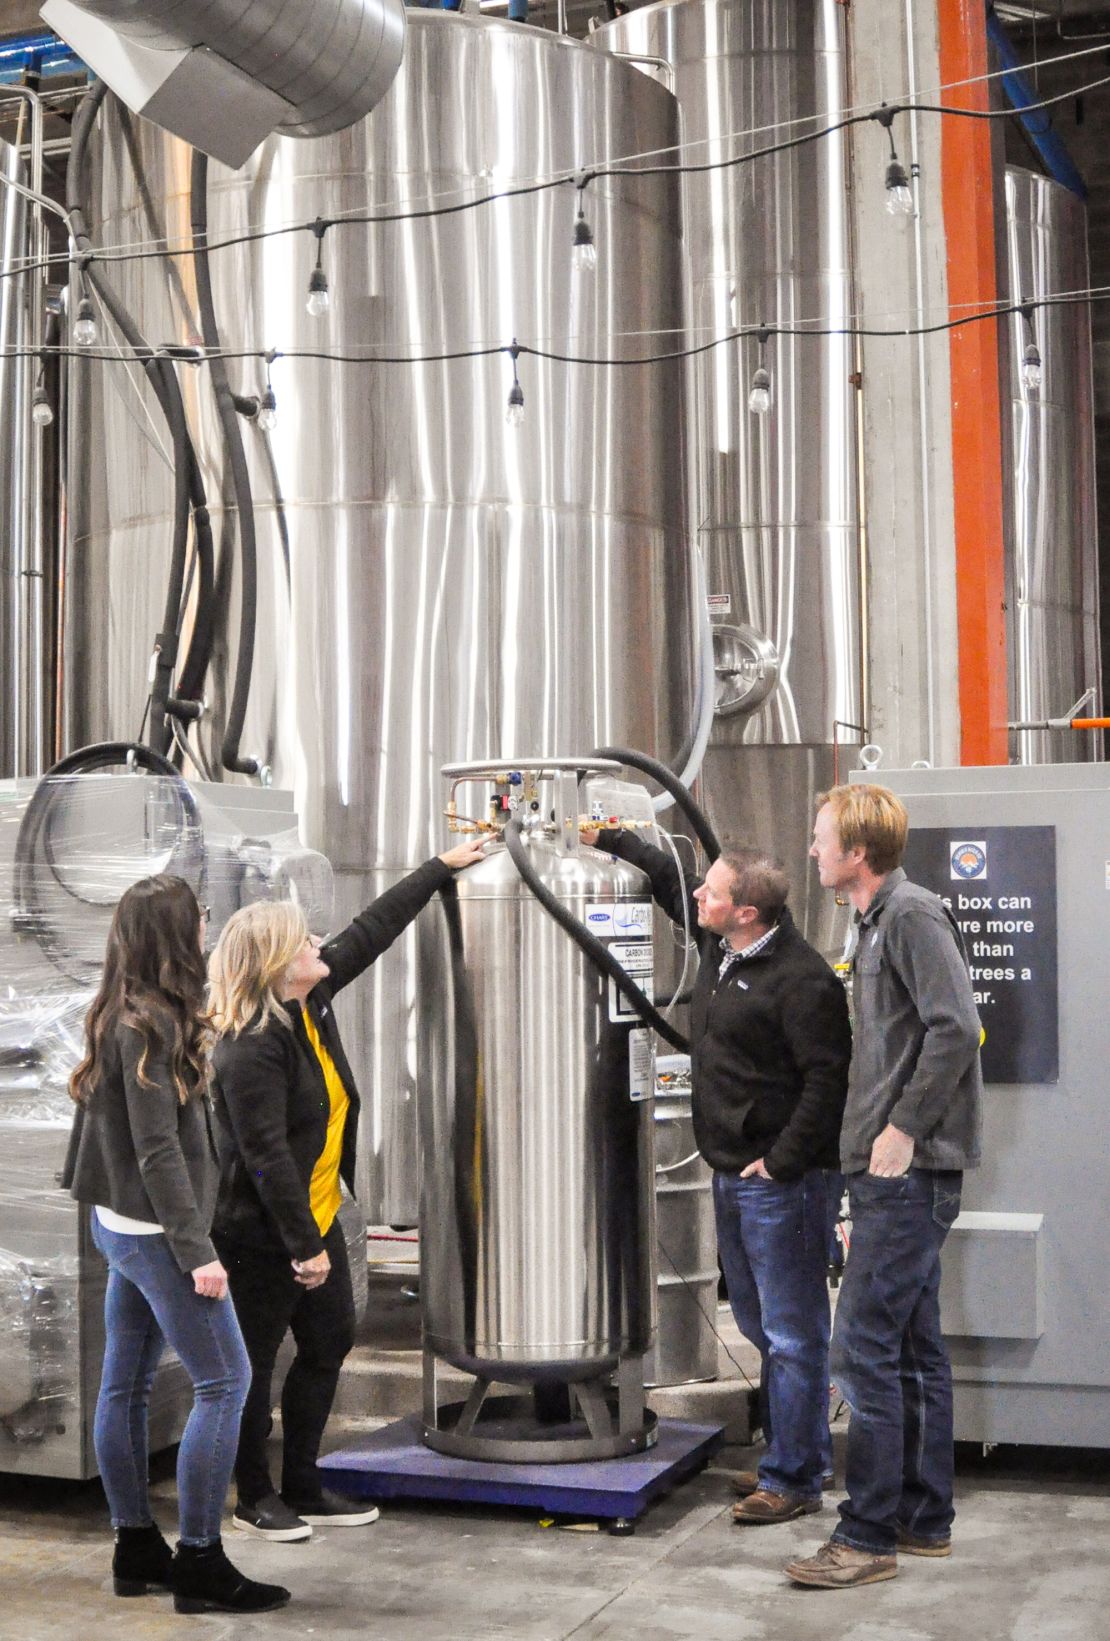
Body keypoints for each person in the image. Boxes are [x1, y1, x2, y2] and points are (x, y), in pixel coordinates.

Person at [208, 835, 484, 1541]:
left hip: (316, 1213)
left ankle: (303, 1479)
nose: (319, 945)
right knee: (255, 1364)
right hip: (263, 1232)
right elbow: (266, 1156)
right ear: (275, 963)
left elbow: (370, 932)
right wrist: (304, 1247)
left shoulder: (310, 999)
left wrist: (436, 869)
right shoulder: (250, 1047)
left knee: (328, 1342)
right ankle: (255, 1494)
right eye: (304, 942)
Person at [584, 825, 851, 1524]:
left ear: (748, 912)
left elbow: (828, 1082)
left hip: (781, 1181)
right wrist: (613, 838)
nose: (699, 894)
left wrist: (783, 1160)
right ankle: (794, 1456)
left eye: (715, 891)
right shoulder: (723, 947)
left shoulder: (803, 980)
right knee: (765, 1326)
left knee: (793, 1333)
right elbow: (676, 886)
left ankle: (794, 1478)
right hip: (733, 1170)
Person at [63, 874, 289, 1617]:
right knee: (227, 1381)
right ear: (171, 932)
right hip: (158, 1233)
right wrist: (197, 1251)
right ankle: (198, 1558)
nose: (204, 924)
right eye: (195, 916)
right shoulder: (149, 1025)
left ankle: (136, 1545)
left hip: (120, 1224)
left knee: (124, 1381)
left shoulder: (119, 1010)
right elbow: (159, 1151)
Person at [786, 784, 982, 1590]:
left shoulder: (909, 915)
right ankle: (921, 1516)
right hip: (885, 1173)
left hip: (907, 1170)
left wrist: (900, 1130)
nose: (812, 848)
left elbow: (956, 1025)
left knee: (857, 1349)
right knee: (907, 1347)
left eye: (821, 835)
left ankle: (866, 1534)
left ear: (856, 851)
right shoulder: (869, 921)